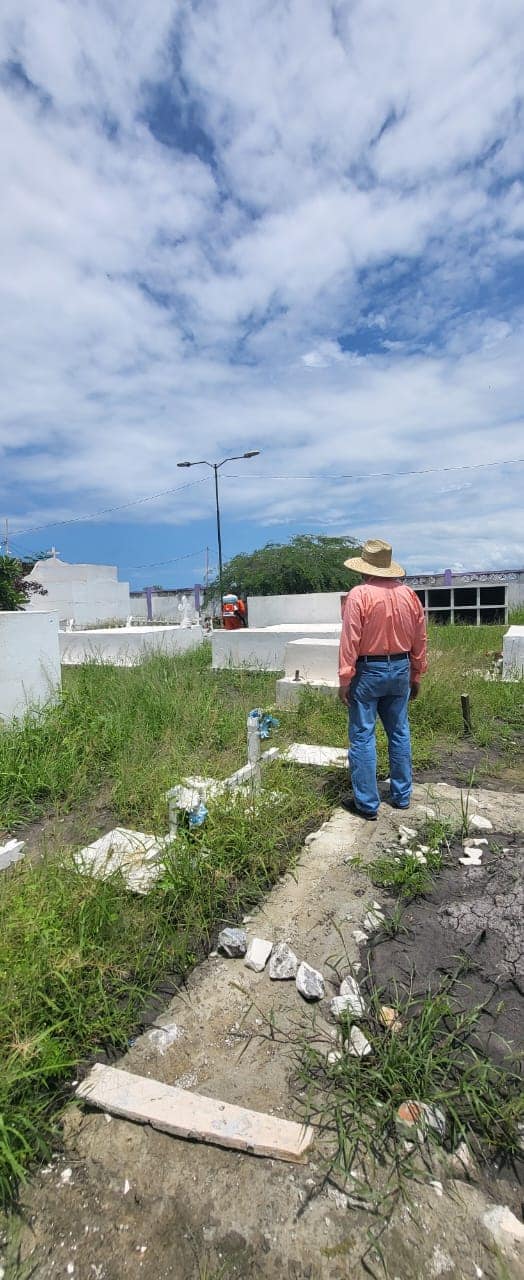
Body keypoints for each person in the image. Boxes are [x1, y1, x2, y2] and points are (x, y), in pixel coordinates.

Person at [338, 538, 427, 819]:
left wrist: (345, 679)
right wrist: (416, 673)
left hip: (368, 670)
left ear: (364, 568)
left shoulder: (359, 595)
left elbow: (350, 640)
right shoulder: (409, 595)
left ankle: (367, 804)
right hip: (400, 668)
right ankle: (402, 796)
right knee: (399, 732)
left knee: (363, 736)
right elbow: (420, 638)